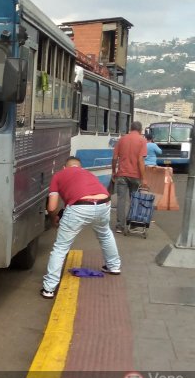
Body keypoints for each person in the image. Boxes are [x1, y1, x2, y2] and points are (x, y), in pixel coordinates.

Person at [41, 157, 121, 299]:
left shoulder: (59, 175)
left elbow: (52, 206)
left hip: (80, 207)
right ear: (80, 167)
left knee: (60, 247)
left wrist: (54, 218)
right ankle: (114, 266)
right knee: (105, 234)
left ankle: (49, 288)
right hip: (104, 203)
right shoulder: (88, 174)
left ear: (65, 167)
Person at [112, 121, 147, 233]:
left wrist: (114, 171)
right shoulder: (142, 140)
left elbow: (114, 157)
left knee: (121, 200)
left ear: (130, 128)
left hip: (122, 174)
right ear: (140, 130)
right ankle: (132, 224)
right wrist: (143, 178)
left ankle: (119, 226)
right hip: (136, 175)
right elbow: (141, 160)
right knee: (134, 200)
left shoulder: (122, 139)